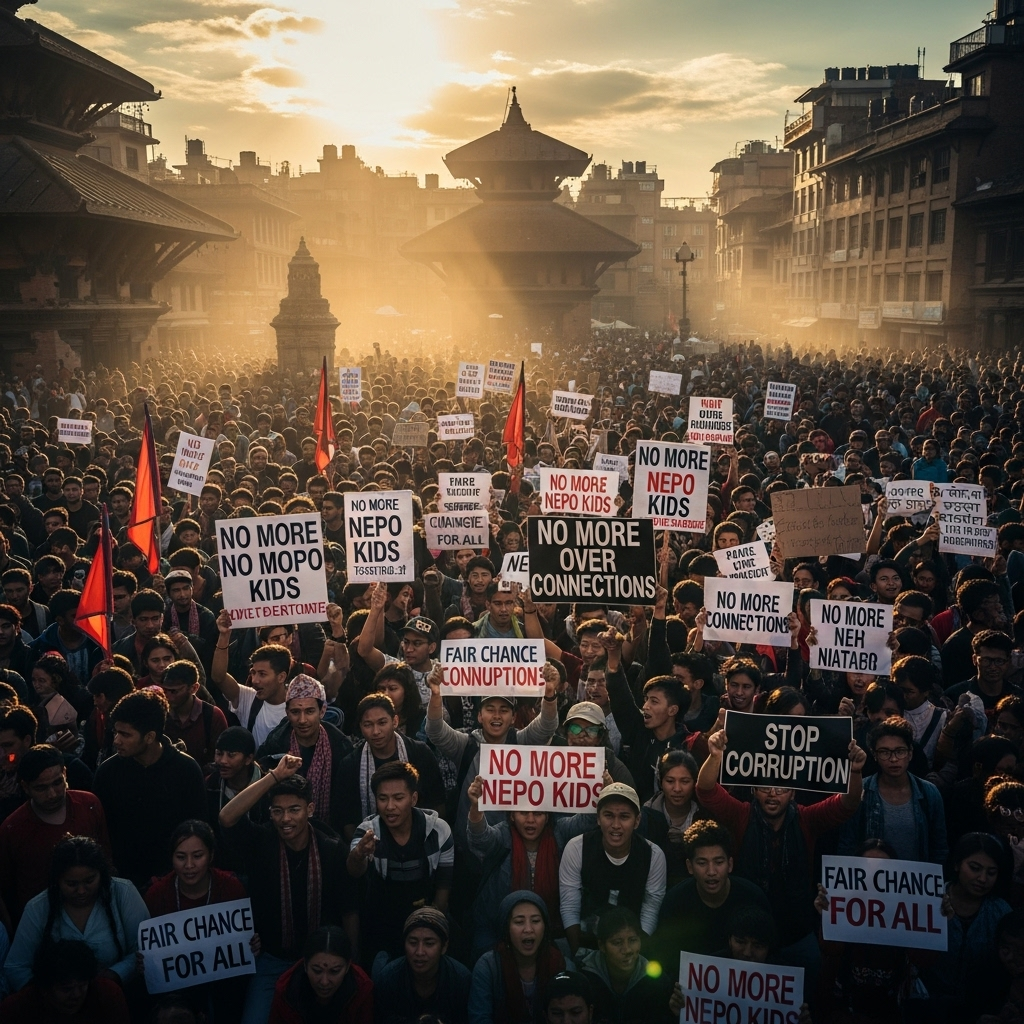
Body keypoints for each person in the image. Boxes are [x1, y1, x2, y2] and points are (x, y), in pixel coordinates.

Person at [696, 726, 866, 978]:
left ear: (793, 792)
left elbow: (848, 803)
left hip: (796, 933)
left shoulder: (807, 819)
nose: (773, 794)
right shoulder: (741, 814)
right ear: (753, 790)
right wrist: (715, 756)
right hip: (748, 933)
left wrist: (854, 771)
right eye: (765, 787)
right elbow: (706, 791)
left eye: (781, 788)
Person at [218, 754, 359, 1024]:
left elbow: (349, 910)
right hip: (273, 960)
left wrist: (351, 963)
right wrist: (274, 777)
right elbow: (226, 817)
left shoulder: (331, 848)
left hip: (324, 962)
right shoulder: (262, 842)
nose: (286, 819)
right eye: (277, 811)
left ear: (310, 809)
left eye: (294, 809)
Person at [424, 659, 560, 843]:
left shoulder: (521, 741)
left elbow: (546, 726)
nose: (496, 716)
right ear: (480, 716)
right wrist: (436, 693)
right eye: (490, 709)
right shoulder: (466, 745)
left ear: (513, 718)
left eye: (503, 710)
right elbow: (435, 731)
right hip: (469, 844)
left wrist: (550, 693)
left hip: (511, 844)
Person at [92, 689, 206, 889]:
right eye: (115, 732)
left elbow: (199, 831)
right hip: (123, 883)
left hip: (175, 883)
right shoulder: (107, 773)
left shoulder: (186, 771)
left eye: (125, 734)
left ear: (150, 737)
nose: (116, 740)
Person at [3, 835, 149, 992]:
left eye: (89, 881)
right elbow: (16, 966)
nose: (81, 891)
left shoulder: (123, 893)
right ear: (57, 880)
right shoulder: (37, 908)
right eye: (71, 884)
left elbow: (143, 951)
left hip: (117, 993)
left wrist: (113, 976)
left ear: (101, 874)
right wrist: (48, 995)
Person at [347, 760, 454, 971]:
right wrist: (359, 854)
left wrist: (426, 935)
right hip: (381, 926)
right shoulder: (367, 831)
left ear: (413, 798)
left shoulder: (439, 831)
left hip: (426, 920)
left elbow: (443, 890)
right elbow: (353, 870)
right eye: (382, 799)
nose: (390, 807)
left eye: (398, 798)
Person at [144, 820, 251, 1024]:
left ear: (211, 856)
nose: (189, 865)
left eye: (198, 856)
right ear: (171, 858)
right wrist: (145, 960)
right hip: (176, 991)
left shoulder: (232, 888)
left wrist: (251, 944)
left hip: (223, 987)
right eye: (181, 857)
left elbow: (240, 947)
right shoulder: (157, 894)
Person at [0, 743, 110, 924]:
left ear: (65, 774)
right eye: (41, 788)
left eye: (57, 783)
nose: (52, 794)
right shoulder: (11, 830)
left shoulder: (90, 805)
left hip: (95, 916)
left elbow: (106, 860)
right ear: (26, 788)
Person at [558, 782, 667, 957]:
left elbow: (651, 907)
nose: (615, 825)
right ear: (598, 818)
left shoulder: (653, 855)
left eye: (624, 816)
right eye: (608, 815)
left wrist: (635, 955)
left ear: (637, 820)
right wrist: (577, 952)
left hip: (632, 949)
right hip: (586, 946)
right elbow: (569, 905)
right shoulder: (577, 848)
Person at [916, 832, 1013, 1024]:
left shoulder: (1000, 912)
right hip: (925, 1006)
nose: (982, 879)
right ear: (957, 865)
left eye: (991, 873)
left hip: (978, 1012)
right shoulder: (929, 899)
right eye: (975, 868)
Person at [653, 819, 770, 959]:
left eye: (719, 862)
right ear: (690, 867)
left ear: (730, 864)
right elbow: (664, 954)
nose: (711, 871)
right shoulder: (675, 901)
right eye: (702, 863)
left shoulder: (753, 897)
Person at [337, 692, 446, 840]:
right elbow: (346, 820)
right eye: (368, 725)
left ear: (395, 721)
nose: (376, 732)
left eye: (382, 723)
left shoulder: (419, 753)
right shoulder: (350, 764)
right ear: (361, 727)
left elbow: (437, 803)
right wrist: (362, 847)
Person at [839, 716, 948, 864]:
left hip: (915, 882)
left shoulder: (929, 793)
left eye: (900, 751)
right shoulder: (861, 791)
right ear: (875, 755)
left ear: (910, 753)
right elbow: (847, 843)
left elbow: (939, 848)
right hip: (870, 879)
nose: (894, 759)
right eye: (885, 752)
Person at [256, 674, 353, 833]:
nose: (302, 720)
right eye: (295, 712)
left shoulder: (340, 747)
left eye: (309, 711)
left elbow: (346, 804)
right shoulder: (275, 744)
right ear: (287, 713)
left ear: (322, 711)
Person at [468, 890, 566, 1024]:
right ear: (506, 928)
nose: (528, 929)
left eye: (536, 921)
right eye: (519, 922)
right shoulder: (488, 967)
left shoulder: (560, 964)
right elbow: (479, 1018)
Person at [372, 907, 472, 1024]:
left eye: (429, 944)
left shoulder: (460, 980)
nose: (419, 952)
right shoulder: (388, 979)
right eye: (413, 943)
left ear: (444, 947)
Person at [576, 907, 672, 1024]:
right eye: (617, 942)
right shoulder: (583, 979)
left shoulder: (658, 982)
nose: (627, 950)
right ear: (601, 946)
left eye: (633, 940)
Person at [0, 939, 130, 1024]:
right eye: (67, 989)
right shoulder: (19, 1008)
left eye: (82, 985)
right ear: (45, 989)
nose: (77, 994)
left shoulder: (107, 995)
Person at [269, 926, 373, 1024]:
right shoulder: (286, 990)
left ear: (347, 967)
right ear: (305, 965)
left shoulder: (362, 988)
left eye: (334, 971)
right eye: (317, 971)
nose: (324, 981)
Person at [639, 749, 707, 889]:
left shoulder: (704, 817)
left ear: (695, 783)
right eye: (670, 781)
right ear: (660, 782)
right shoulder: (644, 817)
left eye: (685, 781)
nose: (677, 789)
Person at [159, 658, 227, 768]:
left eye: (174, 691)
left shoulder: (212, 716)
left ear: (194, 688)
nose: (168, 696)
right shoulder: (160, 714)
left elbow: (222, 759)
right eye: (165, 690)